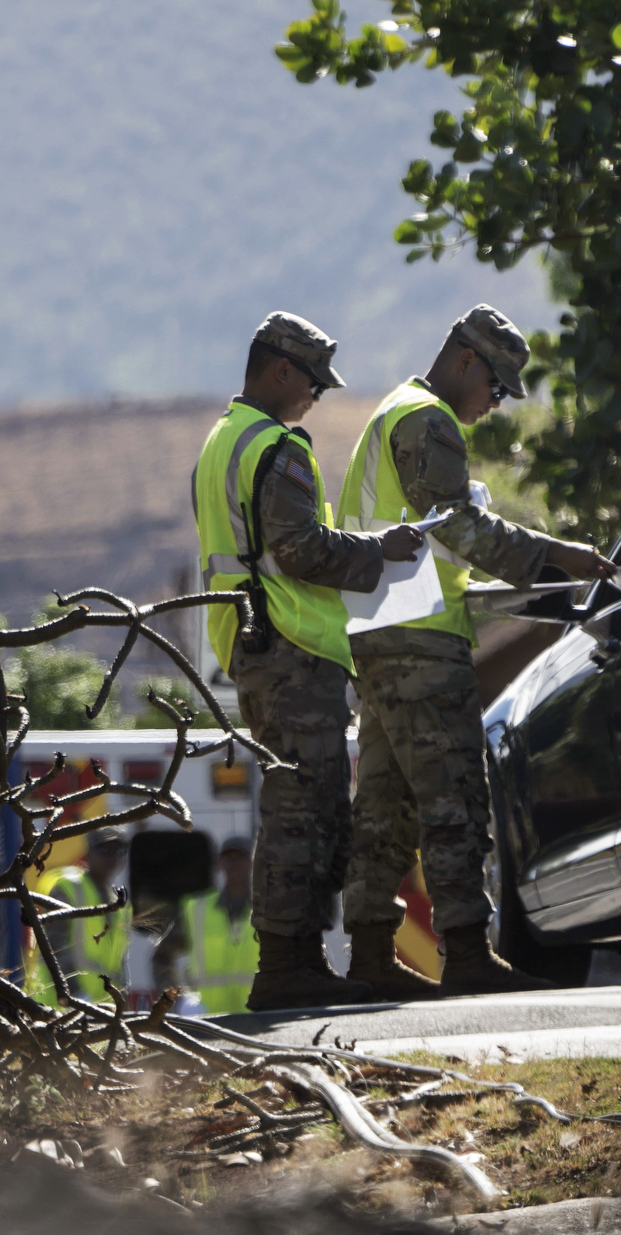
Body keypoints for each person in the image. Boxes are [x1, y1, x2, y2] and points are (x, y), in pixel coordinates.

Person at [338, 305, 617, 996]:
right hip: (419, 643)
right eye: (495, 387)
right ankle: (465, 953)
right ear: (466, 359)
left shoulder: (394, 413)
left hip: (381, 634)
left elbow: (435, 542)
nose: (494, 406)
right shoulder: (426, 420)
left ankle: (372, 958)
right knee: (454, 794)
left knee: (386, 803)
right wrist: (556, 558)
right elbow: (458, 525)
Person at [192, 312, 426, 1011]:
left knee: (301, 801)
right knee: (307, 806)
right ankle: (288, 962)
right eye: (314, 381)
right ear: (280, 371)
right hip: (291, 643)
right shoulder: (277, 446)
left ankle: (296, 960)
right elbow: (301, 551)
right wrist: (381, 552)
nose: (318, 396)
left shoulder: (221, 441)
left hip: (252, 641)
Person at [25, 826, 129, 1004]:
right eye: (104, 848)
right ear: (88, 852)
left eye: (119, 849)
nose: (112, 856)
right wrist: (75, 994)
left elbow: (118, 963)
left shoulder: (118, 901)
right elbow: (55, 946)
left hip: (100, 1009)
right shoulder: (68, 887)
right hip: (57, 1006)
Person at [182, 835, 261, 1014]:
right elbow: (162, 956)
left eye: (241, 858)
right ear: (219, 863)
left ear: (254, 862)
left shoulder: (271, 907)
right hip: (210, 1019)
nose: (234, 863)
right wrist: (177, 998)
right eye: (228, 858)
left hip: (259, 1017)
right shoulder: (198, 908)